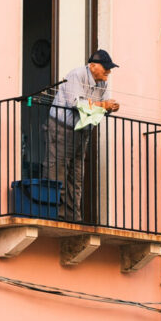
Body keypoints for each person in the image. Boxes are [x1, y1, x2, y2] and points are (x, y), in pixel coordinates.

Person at [45, 50, 120, 224]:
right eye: (106, 68)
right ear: (92, 66)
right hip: (62, 127)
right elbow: (75, 103)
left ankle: (73, 217)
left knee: (76, 176)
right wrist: (104, 105)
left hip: (82, 130)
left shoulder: (103, 82)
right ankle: (56, 216)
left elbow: (105, 103)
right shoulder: (77, 75)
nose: (109, 71)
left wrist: (112, 106)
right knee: (58, 171)